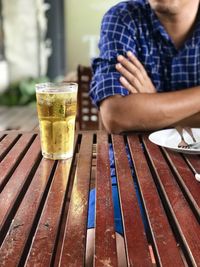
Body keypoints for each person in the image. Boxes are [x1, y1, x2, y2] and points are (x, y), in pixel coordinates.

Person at [86, 0, 200, 266]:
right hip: (133, 170)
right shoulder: (123, 17)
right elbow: (115, 114)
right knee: (100, 253)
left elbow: (132, 115)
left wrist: (153, 103)